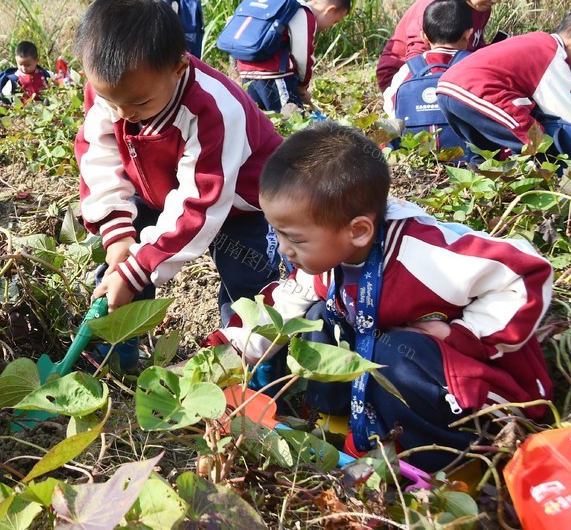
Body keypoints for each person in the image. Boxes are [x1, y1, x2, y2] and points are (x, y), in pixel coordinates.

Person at [227, 122, 553, 472]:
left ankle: (442, 459)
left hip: (474, 387)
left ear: (358, 230)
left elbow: (526, 273)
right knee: (318, 316)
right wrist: (226, 354)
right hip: (394, 357)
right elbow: (282, 308)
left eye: (295, 238)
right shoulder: (327, 256)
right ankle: (336, 421)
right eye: (277, 233)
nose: (283, 249)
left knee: (393, 354)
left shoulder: (425, 255)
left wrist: (462, 333)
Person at [74, 0, 283, 332]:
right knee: (119, 269)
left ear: (178, 68)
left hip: (239, 203)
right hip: (161, 189)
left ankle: (248, 351)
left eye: (140, 104)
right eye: (111, 102)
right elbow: (99, 154)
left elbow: (200, 202)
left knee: (248, 285)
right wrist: (116, 232)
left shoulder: (214, 109)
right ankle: (116, 348)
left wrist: (141, 266)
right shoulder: (114, 90)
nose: (123, 114)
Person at [436, 9, 571, 164]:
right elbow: (568, 121)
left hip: (448, 88)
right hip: (477, 91)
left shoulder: (538, 41)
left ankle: (481, 175)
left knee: (486, 152)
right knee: (538, 143)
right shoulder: (554, 57)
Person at [376, 0, 519, 92]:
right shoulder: (441, 7)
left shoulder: (482, 7)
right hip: (405, 78)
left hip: (447, 72)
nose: (497, 0)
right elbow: (417, 58)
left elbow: (475, 48)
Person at [235, 0, 351, 113]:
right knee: (291, 120)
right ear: (330, 10)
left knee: (260, 119)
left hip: (247, 73)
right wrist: (303, 86)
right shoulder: (303, 13)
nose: (331, 26)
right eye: (335, 21)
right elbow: (303, 56)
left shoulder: (285, 9)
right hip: (273, 75)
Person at [383, 0, 473, 117]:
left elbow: (391, 107)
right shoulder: (475, 66)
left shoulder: (410, 68)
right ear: (468, 34)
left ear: (424, 36)